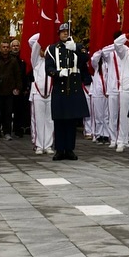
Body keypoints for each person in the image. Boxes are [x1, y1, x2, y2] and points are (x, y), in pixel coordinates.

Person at [45, 22, 90, 161]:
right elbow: (48, 68)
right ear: (59, 34)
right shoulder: (52, 49)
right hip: (60, 87)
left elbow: (85, 59)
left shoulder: (78, 47)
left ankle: (69, 149)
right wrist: (58, 73)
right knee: (59, 120)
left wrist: (75, 48)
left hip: (74, 86)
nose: (65, 33)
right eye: (63, 31)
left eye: (67, 31)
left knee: (71, 121)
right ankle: (59, 149)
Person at [0, 37, 25, 140]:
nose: (5, 49)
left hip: (9, 91)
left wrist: (18, 87)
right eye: (3, 47)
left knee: (8, 113)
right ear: (0, 48)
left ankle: (7, 132)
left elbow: (18, 75)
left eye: (7, 47)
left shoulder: (13, 61)